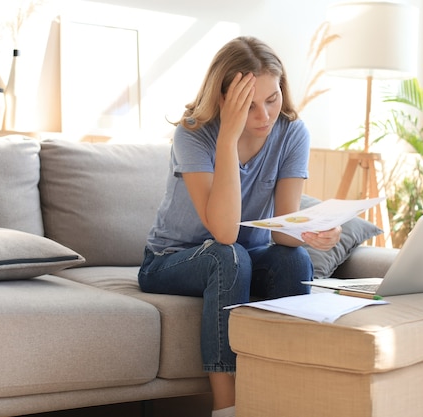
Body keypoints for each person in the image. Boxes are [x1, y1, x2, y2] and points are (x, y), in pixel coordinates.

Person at [138, 36, 342, 417]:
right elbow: (225, 232)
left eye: (272, 99)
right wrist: (228, 138)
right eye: (248, 106)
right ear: (222, 100)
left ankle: (283, 395)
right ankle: (227, 406)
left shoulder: (292, 133)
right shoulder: (194, 132)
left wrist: (313, 230)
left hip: (243, 254)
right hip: (171, 260)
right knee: (228, 256)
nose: (265, 116)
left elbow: (282, 230)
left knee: (294, 260)